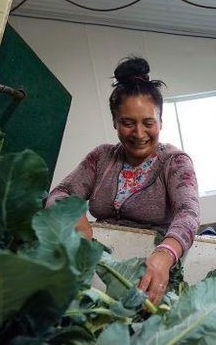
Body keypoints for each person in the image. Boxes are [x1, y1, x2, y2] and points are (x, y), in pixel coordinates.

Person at [46, 56, 200, 305]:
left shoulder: (175, 162)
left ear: (161, 121)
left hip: (151, 274)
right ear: (115, 122)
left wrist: (164, 254)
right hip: (98, 269)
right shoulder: (101, 157)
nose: (139, 133)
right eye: (128, 123)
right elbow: (60, 193)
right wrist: (73, 216)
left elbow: (188, 214)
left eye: (148, 122)